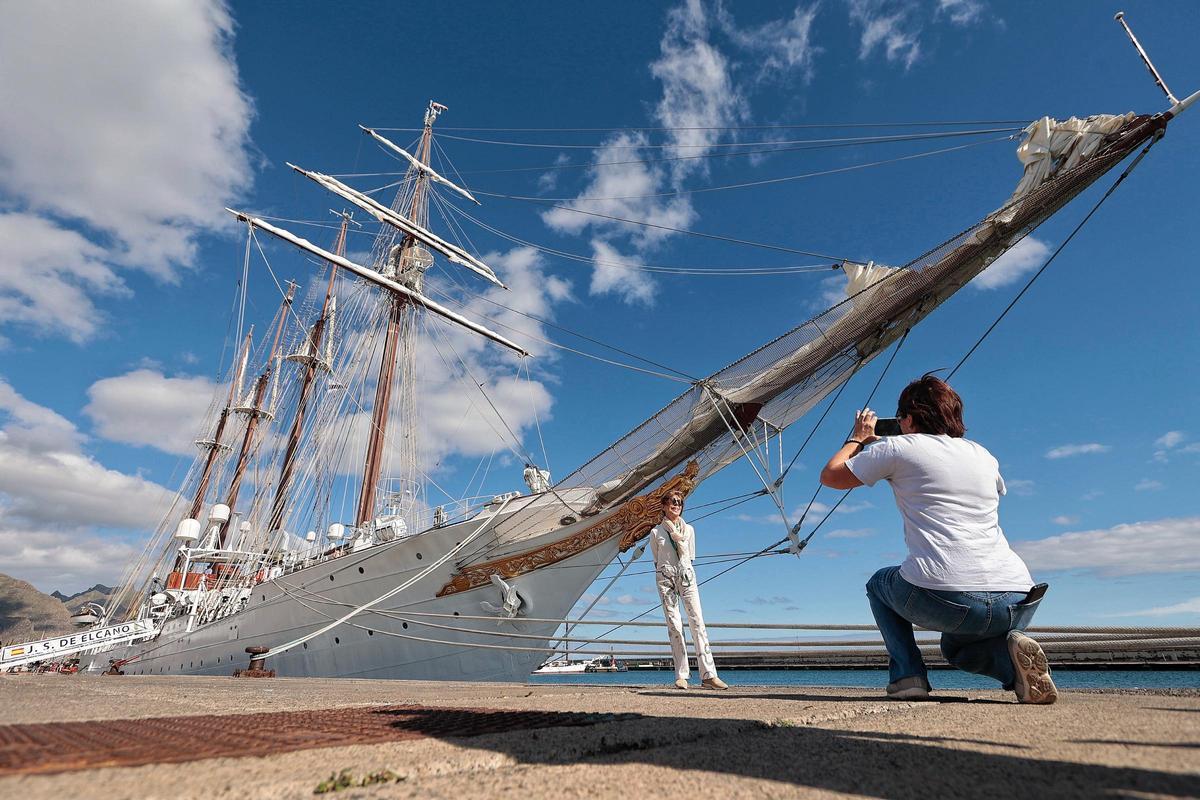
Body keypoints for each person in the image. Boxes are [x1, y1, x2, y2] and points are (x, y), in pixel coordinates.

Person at [819, 375, 1057, 704]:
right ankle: (1012, 664)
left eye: (902, 417)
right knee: (955, 647)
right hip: (1017, 600)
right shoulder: (983, 455)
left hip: (952, 599)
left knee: (879, 583)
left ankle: (907, 677)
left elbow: (831, 476)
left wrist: (858, 439)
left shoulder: (896, 446)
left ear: (909, 418)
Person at [649, 491, 728, 690]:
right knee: (674, 625)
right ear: (664, 506)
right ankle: (681, 674)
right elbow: (656, 560)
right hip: (665, 577)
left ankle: (709, 675)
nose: (677, 505)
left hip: (687, 576)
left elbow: (690, 556)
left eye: (680, 502)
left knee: (697, 622)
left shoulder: (689, 530)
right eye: (673, 502)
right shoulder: (656, 533)